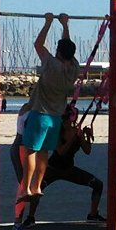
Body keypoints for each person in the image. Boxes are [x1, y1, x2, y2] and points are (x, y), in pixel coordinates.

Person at [11, 107, 105, 230]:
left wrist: (86, 136)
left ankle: (93, 215)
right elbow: (60, 152)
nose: (68, 122)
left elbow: (87, 151)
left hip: (68, 169)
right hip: (52, 168)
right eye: (66, 119)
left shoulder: (76, 131)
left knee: (98, 184)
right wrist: (72, 138)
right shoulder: (57, 131)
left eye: (69, 119)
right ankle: (30, 217)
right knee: (36, 190)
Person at [20, 13, 79, 201]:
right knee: (44, 152)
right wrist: (65, 25)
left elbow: (38, 44)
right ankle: (37, 186)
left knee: (30, 150)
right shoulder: (74, 68)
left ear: (58, 52)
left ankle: (26, 187)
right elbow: (67, 47)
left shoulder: (52, 64)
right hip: (55, 117)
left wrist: (48, 23)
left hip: (40, 114)